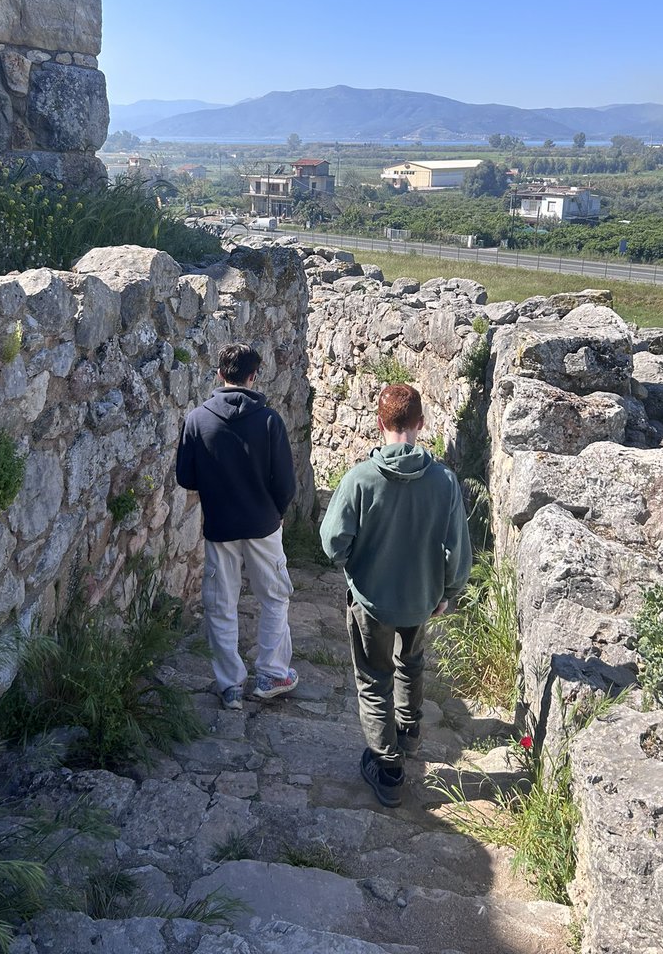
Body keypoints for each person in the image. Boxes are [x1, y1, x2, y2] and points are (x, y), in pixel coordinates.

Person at [320, 383, 472, 808]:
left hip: (371, 599)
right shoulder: (444, 482)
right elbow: (457, 547)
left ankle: (388, 769)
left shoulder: (360, 479)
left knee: (374, 677)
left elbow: (333, 543)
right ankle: (409, 732)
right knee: (412, 660)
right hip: (422, 597)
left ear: (379, 423)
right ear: (421, 424)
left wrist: (356, 564)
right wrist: (449, 590)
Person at [176, 342, 299, 710]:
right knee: (274, 596)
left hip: (220, 524)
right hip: (263, 522)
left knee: (220, 603)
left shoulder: (197, 419)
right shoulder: (268, 420)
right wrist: (275, 512)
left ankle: (230, 684)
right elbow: (286, 483)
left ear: (219, 373)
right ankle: (272, 672)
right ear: (253, 376)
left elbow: (185, 477)